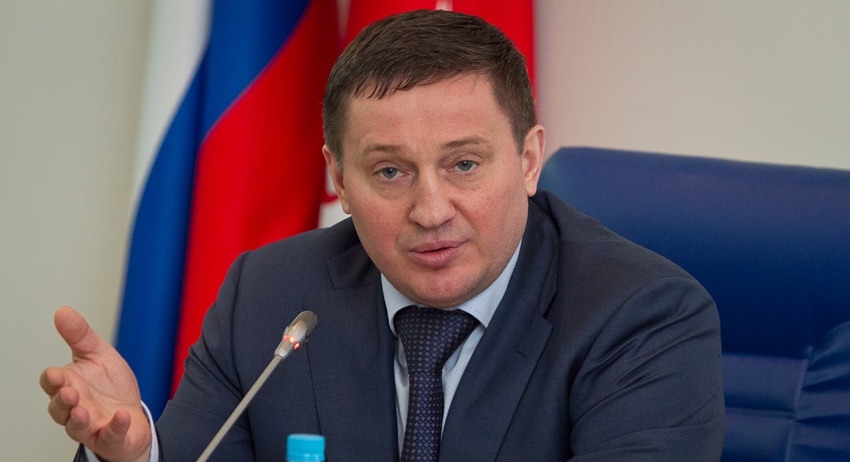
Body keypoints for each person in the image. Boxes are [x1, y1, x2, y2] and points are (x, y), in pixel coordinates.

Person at [41, 9, 725, 462]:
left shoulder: (640, 316)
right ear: (340, 178)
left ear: (527, 160)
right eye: (390, 172)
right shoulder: (270, 293)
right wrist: (139, 455)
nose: (431, 210)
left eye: (464, 164)